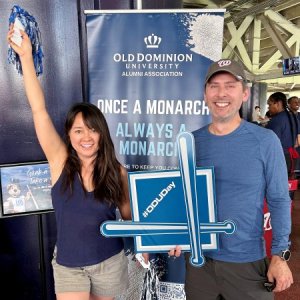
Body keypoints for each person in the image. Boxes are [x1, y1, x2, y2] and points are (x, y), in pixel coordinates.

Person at [7, 27, 136, 300]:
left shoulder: (117, 172)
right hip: (69, 266)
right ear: (69, 135)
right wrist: (27, 58)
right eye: (78, 130)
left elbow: (130, 219)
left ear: (102, 133)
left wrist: (152, 243)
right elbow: (38, 110)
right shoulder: (60, 160)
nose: (86, 137)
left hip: (109, 263)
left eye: (92, 130)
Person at [170, 59, 293, 299]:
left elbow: (279, 199)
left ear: (245, 93)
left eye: (230, 85)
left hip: (246, 263)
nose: (221, 93)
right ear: (205, 94)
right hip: (199, 263)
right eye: (214, 86)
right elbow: (182, 198)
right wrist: (175, 234)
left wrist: (280, 255)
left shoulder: (265, 141)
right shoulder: (190, 142)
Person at [266, 92, 300, 177]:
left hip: (279, 158)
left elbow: (270, 145)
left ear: (278, 104)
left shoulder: (276, 120)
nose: (269, 108)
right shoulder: (293, 117)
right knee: (288, 185)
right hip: (292, 157)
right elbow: (297, 141)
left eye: (270, 104)